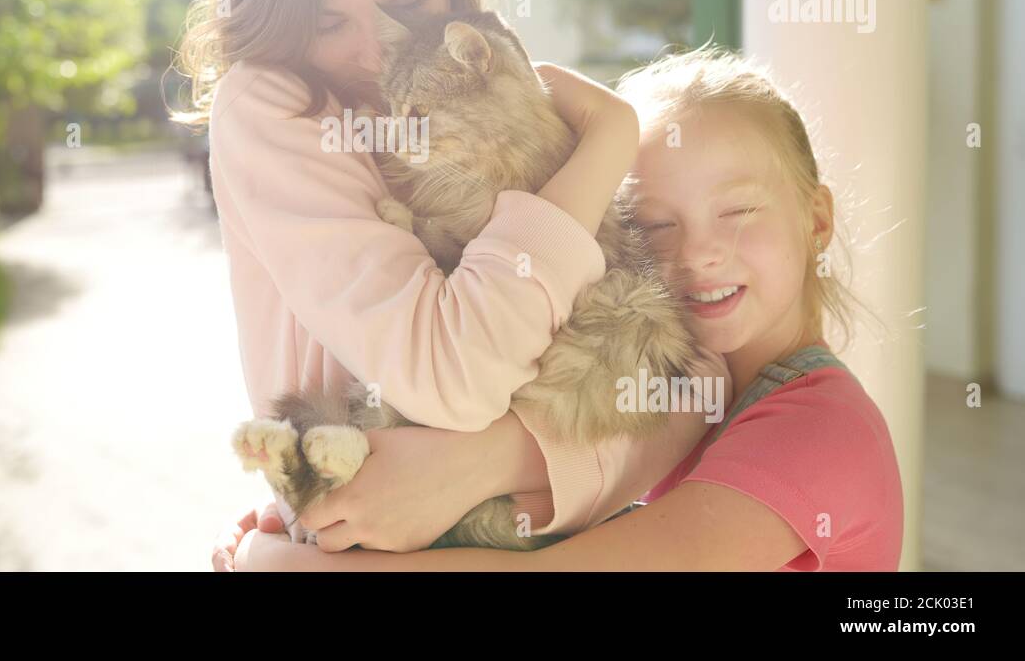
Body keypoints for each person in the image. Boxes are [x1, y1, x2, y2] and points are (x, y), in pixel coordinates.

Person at [170, 0, 728, 566]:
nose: (375, 53)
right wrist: (607, 139)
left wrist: (497, 459)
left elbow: (684, 388)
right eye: (326, 22)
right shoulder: (273, 107)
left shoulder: (466, 77)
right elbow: (454, 376)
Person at [228, 46, 905, 571]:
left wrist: (284, 563)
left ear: (817, 219)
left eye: (738, 212)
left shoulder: (822, 432)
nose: (698, 254)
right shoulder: (686, 396)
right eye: (654, 225)